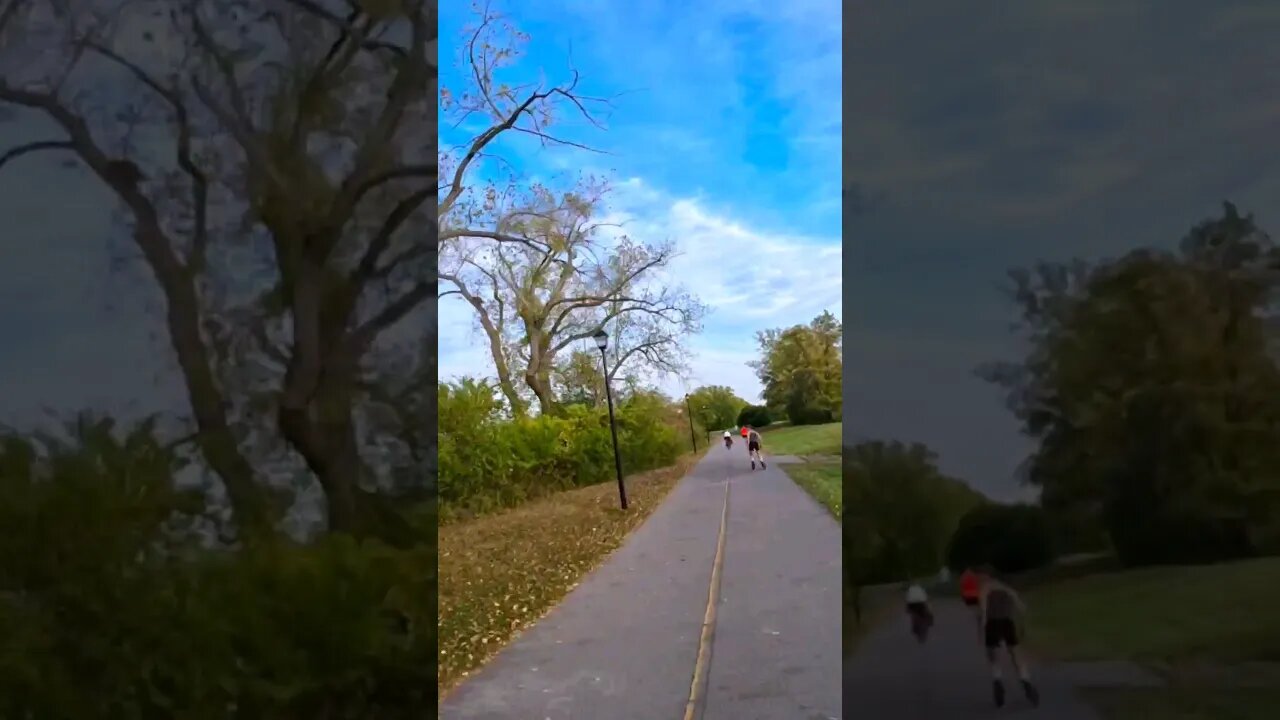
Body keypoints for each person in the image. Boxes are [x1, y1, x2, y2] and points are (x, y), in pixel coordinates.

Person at [978, 568, 1039, 708]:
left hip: (992, 623)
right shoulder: (1008, 589)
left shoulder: (986, 588)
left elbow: (983, 608)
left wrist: (982, 626)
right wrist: (1023, 627)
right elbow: (1021, 608)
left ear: (989, 576)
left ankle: (997, 680)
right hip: (1007, 622)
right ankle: (1026, 681)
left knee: (993, 655)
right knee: (1015, 654)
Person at [959, 566, 982, 631]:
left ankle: (978, 614)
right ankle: (979, 614)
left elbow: (961, 586)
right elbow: (979, 584)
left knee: (972, 607)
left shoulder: (963, 576)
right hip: (975, 595)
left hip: (967, 595)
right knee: (976, 606)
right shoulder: (975, 576)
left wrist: (962, 596)